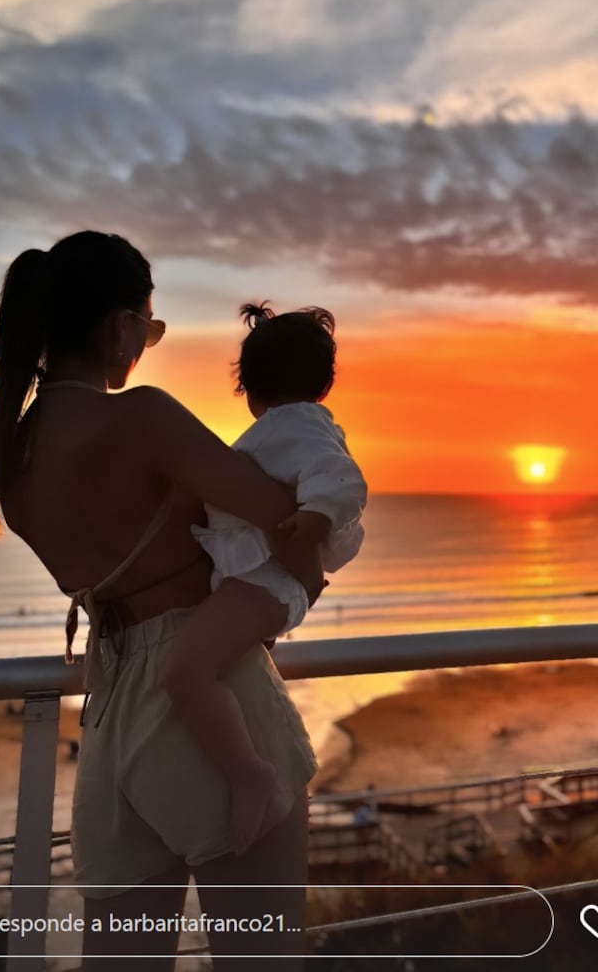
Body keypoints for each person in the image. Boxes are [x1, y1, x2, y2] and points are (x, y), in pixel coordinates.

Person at [0, 231, 325, 970]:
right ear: (118, 327)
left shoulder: (13, 458)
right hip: (207, 689)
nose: (146, 344)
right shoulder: (139, 418)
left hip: (108, 710)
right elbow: (281, 510)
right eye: (149, 327)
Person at [161, 301, 366, 855]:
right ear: (324, 383)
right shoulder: (293, 428)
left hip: (269, 582)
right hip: (262, 581)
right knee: (214, 668)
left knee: (183, 672)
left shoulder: (294, 428)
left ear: (248, 389)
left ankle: (248, 772)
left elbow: (342, 478)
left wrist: (314, 518)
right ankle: (245, 763)